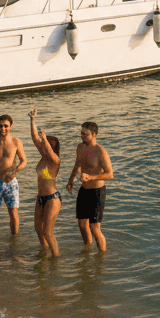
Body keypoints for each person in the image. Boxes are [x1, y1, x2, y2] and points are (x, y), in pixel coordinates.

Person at [65, 121, 113, 252]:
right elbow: (77, 165)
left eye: (85, 134)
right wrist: (70, 181)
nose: (82, 136)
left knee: (95, 228)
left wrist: (91, 177)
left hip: (97, 192)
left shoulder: (100, 152)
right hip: (84, 190)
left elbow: (110, 174)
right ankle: (87, 252)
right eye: (81, 133)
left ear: (94, 134)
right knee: (81, 224)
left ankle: (101, 259)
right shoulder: (80, 147)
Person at [27, 107, 61, 257]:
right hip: (40, 198)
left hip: (52, 199)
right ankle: (45, 255)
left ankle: (56, 259)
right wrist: (32, 120)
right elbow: (35, 138)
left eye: (44, 145)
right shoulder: (43, 157)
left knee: (48, 232)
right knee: (38, 230)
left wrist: (45, 139)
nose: (40, 146)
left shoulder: (54, 161)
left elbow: (47, 147)